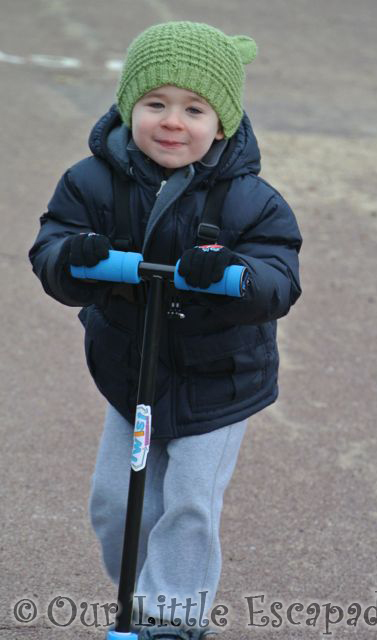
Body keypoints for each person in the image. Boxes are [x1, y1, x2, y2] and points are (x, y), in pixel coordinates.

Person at [29, 21, 302, 640]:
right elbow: (51, 249)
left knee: (189, 503)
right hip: (133, 368)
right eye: (155, 104)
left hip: (219, 380)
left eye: (194, 108)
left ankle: (171, 618)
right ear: (129, 108)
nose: (172, 121)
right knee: (116, 502)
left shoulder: (251, 200)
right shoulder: (91, 182)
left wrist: (232, 271)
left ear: (223, 124)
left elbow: (278, 278)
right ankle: (141, 586)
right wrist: (75, 257)